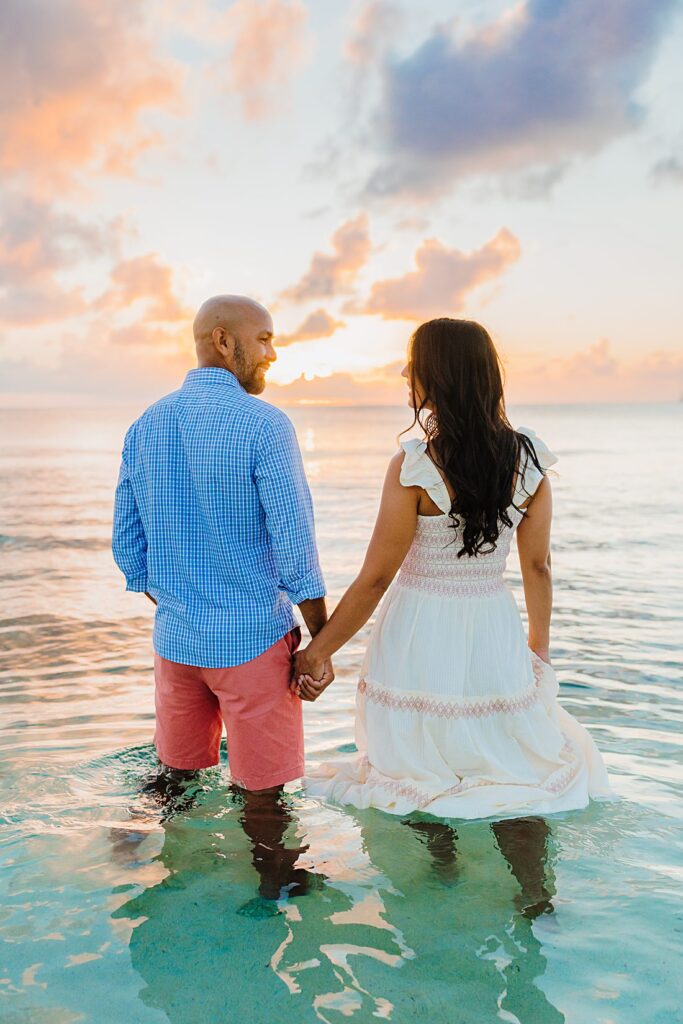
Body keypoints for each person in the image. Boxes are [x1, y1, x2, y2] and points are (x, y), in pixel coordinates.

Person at [295, 317, 613, 818]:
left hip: (420, 625)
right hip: (491, 623)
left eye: (413, 364)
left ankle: (438, 879)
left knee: (422, 774)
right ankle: (534, 892)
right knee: (510, 767)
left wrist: (317, 652)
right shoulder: (528, 460)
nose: (404, 372)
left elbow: (376, 577)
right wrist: (539, 647)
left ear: (440, 375)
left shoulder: (414, 466)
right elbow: (537, 566)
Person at [112, 295, 333, 852]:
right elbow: (295, 546)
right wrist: (321, 640)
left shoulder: (146, 424)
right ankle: (275, 891)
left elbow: (128, 547)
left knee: (176, 778)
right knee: (265, 794)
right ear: (223, 340)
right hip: (252, 646)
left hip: (177, 644)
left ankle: (132, 859)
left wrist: (181, 601)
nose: (273, 353)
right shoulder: (265, 426)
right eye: (264, 339)